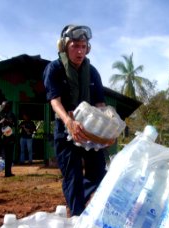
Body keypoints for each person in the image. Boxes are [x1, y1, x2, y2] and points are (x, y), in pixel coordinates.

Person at [43, 24, 113, 216]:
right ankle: (76, 216)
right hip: (66, 129)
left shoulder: (93, 72)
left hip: (89, 130)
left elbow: (100, 105)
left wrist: (108, 130)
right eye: (75, 46)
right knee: (72, 176)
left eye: (83, 46)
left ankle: (81, 206)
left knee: (98, 174)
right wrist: (69, 122)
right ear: (64, 46)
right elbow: (54, 100)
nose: (80, 51)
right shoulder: (54, 69)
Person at [0, 101, 18, 178]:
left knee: (9, 156)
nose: (6, 108)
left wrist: (9, 122)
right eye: (5, 107)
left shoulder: (11, 114)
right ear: (2, 106)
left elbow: (15, 123)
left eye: (8, 107)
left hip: (8, 135)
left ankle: (8, 173)